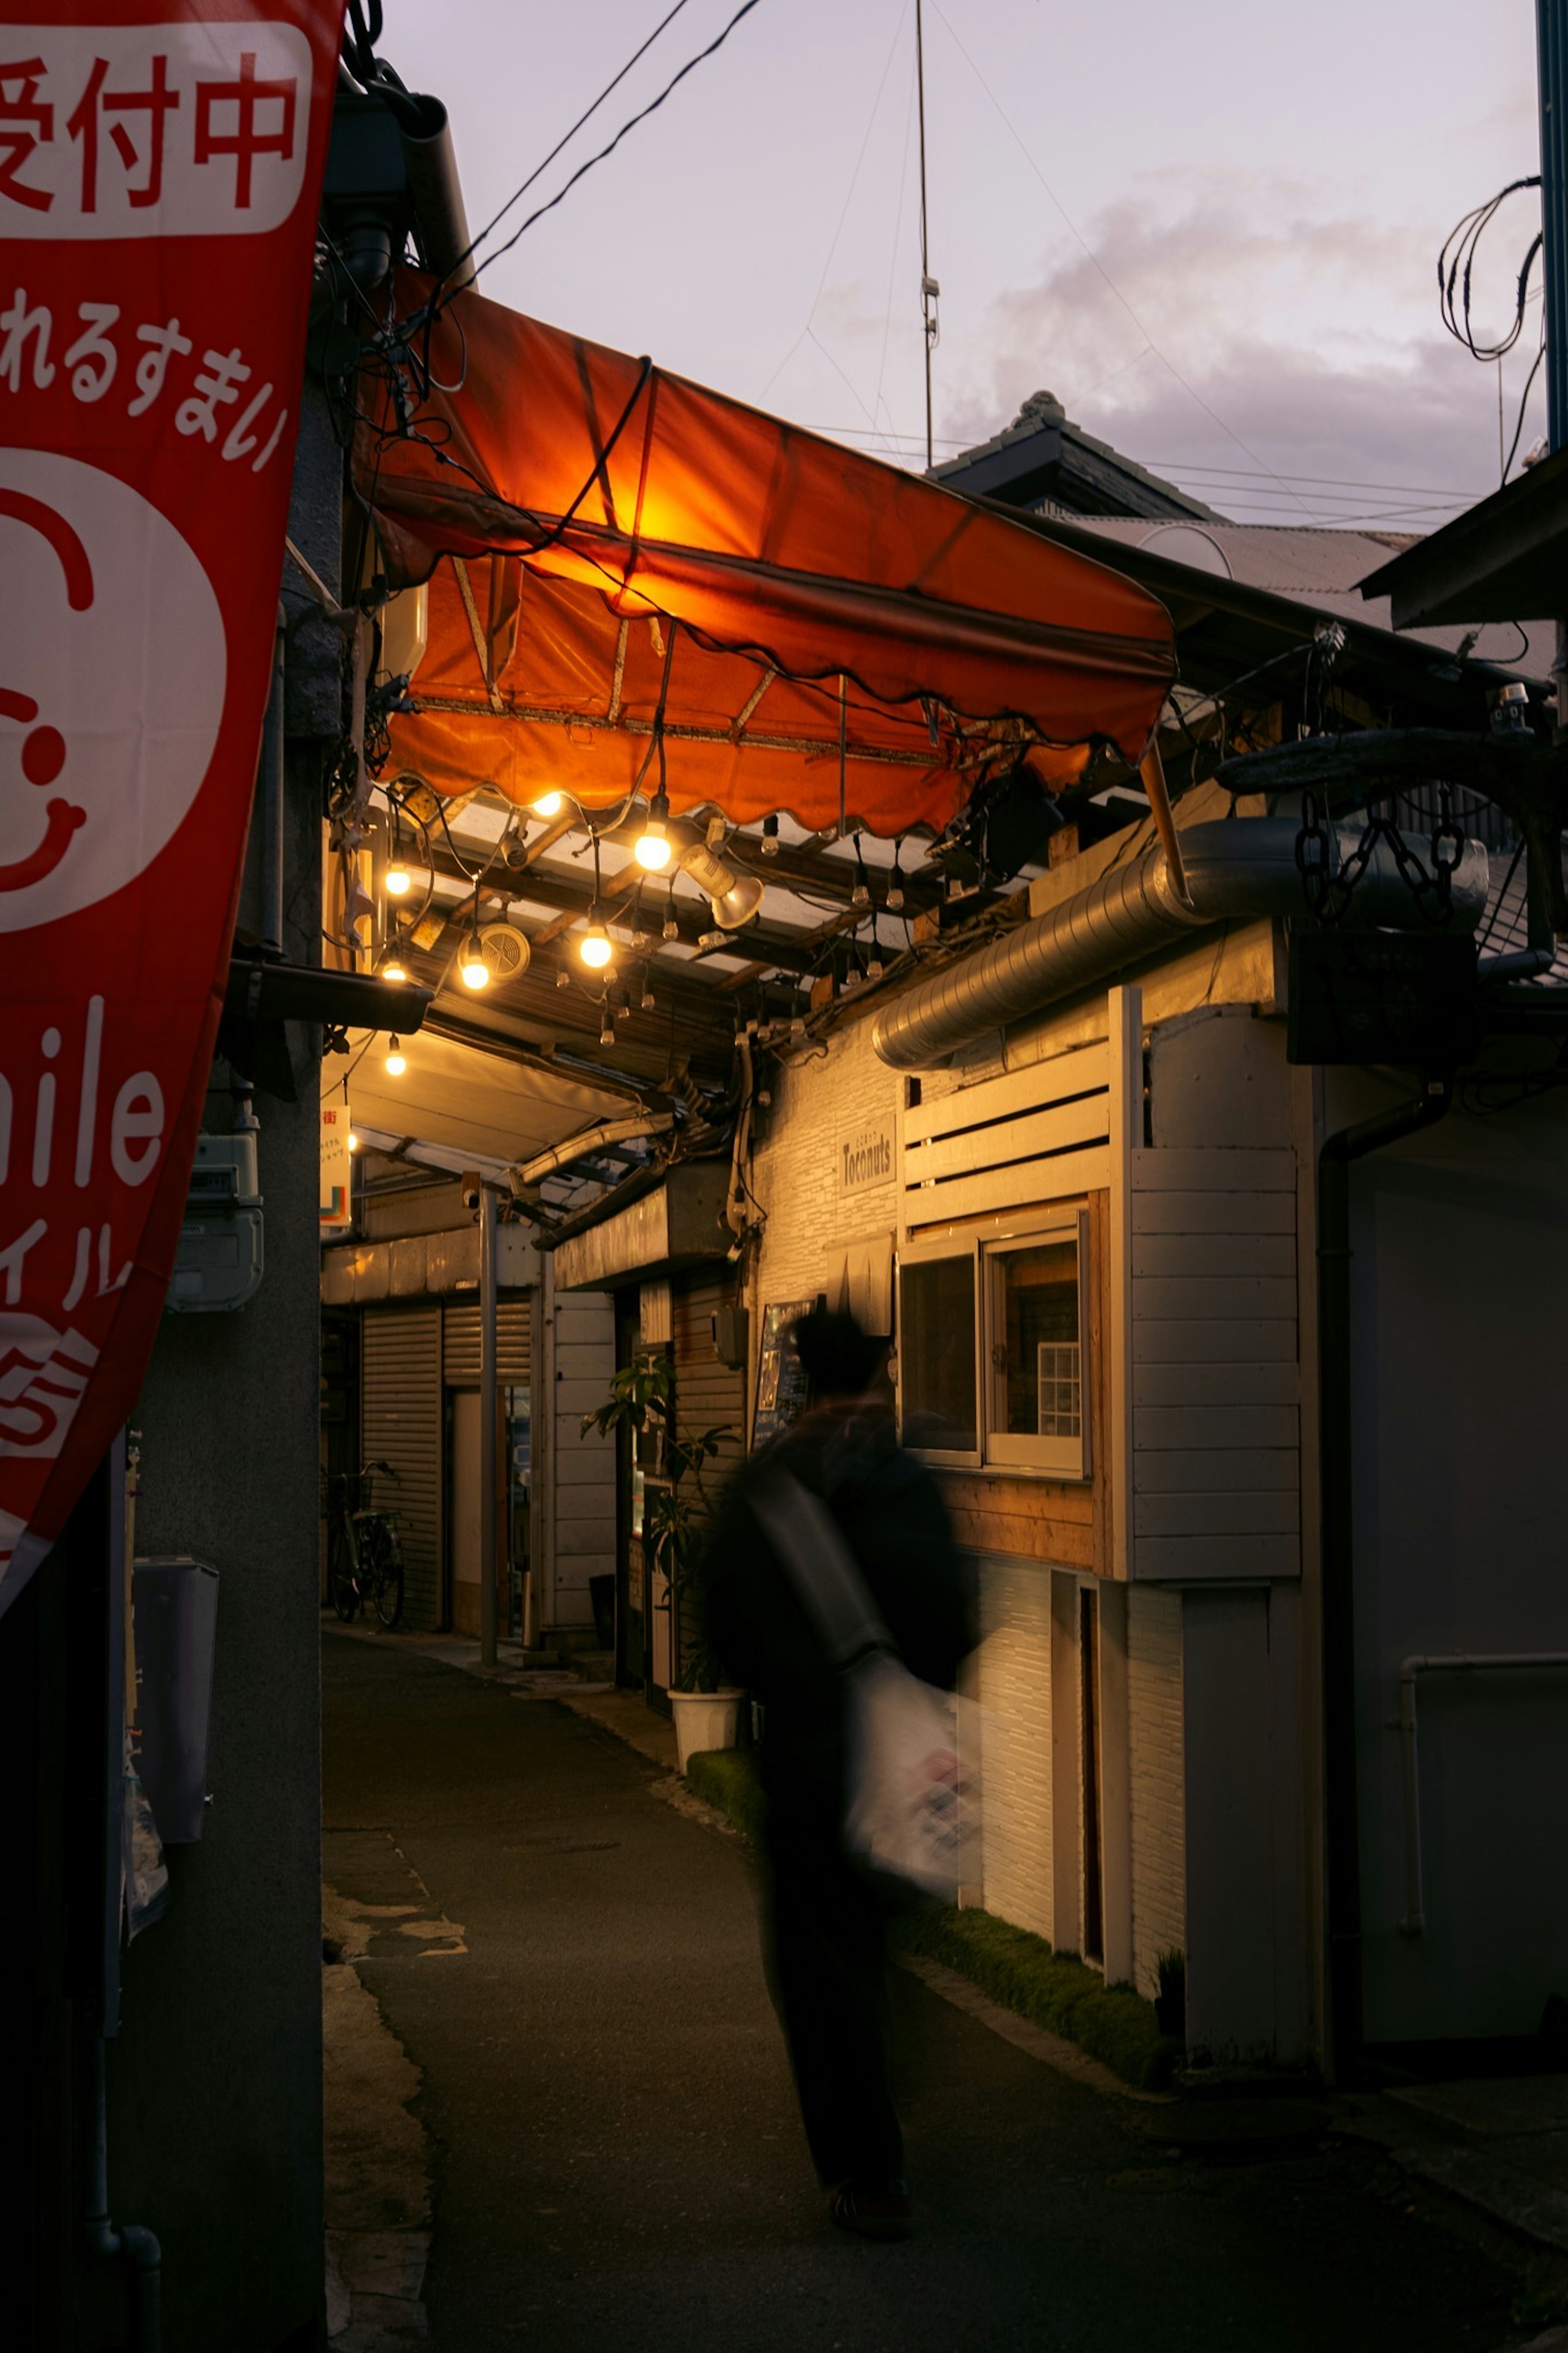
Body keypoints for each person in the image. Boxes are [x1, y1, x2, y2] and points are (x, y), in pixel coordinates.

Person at [705, 1307, 974, 2241]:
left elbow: (725, 1632)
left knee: (820, 1970)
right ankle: (887, 2102)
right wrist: (912, 1693)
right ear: (877, 1380)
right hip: (903, 1757)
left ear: (800, 1377)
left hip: (811, 1762)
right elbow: (956, 1616)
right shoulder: (909, 1484)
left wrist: (805, 1688)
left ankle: (871, 2168)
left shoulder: (767, 1487)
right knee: (874, 1940)